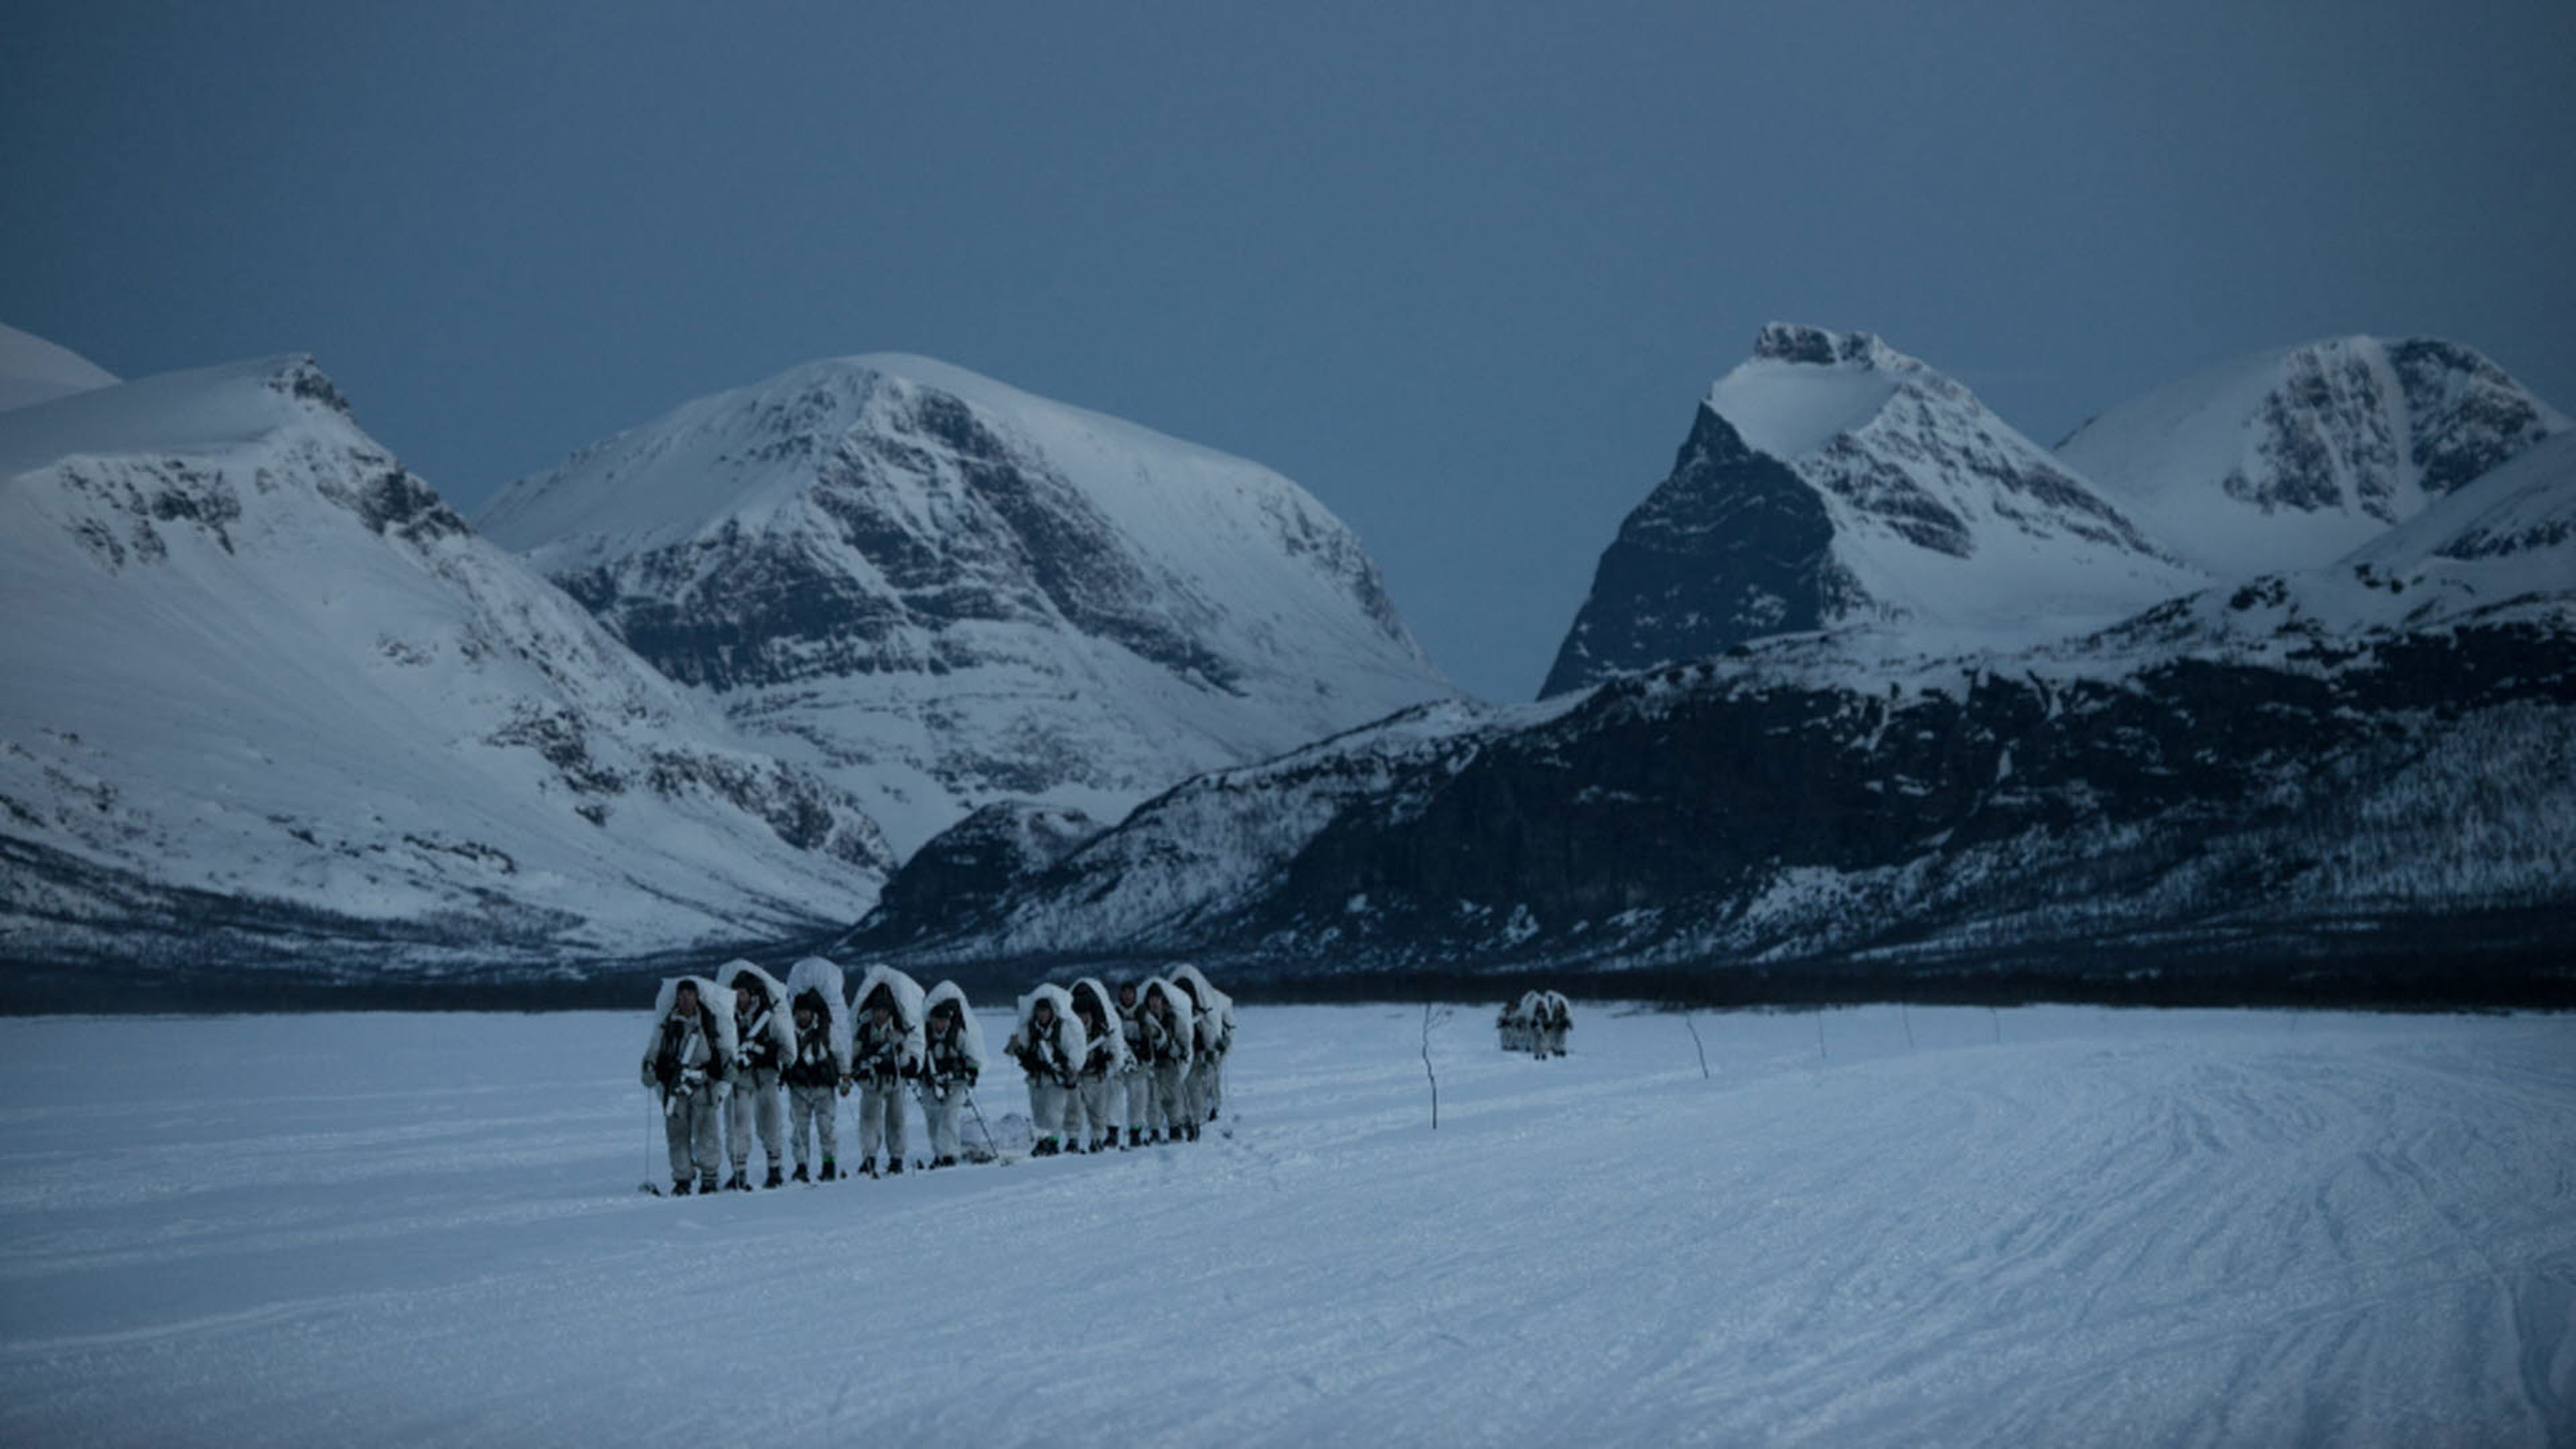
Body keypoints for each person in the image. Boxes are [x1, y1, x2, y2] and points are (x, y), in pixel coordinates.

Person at [639, 975, 736, 1196]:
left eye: (690, 994)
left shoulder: (709, 1022)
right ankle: (682, 1179)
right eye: (682, 995)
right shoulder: (667, 1025)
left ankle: (709, 1177)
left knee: (707, 1133)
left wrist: (729, 1066)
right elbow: (654, 1050)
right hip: (675, 1086)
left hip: (702, 1084)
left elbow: (723, 1046)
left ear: (696, 997)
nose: (685, 999)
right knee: (677, 1136)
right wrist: (648, 1069)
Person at [715, 961, 794, 1190]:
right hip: (738, 1079)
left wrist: (767, 1053)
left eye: (743, 993)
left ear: (752, 994)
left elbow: (785, 1049)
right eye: (737, 993)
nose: (740, 998)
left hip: (765, 1077)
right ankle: (739, 1171)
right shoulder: (727, 1019)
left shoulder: (769, 1018)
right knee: (736, 1126)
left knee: (770, 1123)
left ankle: (775, 1169)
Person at [848, 965, 927, 1177]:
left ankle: (897, 1158)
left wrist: (897, 1057)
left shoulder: (899, 1033)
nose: (880, 1015)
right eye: (878, 1011)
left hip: (895, 1082)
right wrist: (860, 1068)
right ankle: (869, 1157)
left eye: (884, 1011)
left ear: (890, 1013)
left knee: (897, 1120)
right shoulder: (864, 1032)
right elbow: (855, 1055)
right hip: (871, 1082)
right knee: (868, 1121)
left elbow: (905, 1059)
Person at [781, 956, 849, 1182]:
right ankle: (801, 1166)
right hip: (798, 1088)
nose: (803, 1016)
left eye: (806, 1012)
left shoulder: (827, 1032)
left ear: (813, 1014)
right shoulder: (788, 1034)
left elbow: (840, 1054)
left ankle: (829, 1164)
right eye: (800, 1012)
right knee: (799, 1131)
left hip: (823, 1088)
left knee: (826, 1127)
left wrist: (846, 1077)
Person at [916, 981, 988, 1169]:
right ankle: (938, 1153)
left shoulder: (958, 1034)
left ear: (949, 1021)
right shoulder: (924, 1036)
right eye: (937, 1020)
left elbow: (971, 1056)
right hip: (930, 1083)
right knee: (933, 1119)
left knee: (949, 1117)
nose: (940, 1024)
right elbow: (916, 1057)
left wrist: (972, 1072)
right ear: (932, 1020)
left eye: (943, 1021)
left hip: (956, 1083)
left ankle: (949, 1155)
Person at [1005, 985, 1080, 1156]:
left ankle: (1053, 1142)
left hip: (1056, 1077)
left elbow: (1072, 1050)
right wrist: (1014, 1045)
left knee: (1054, 1112)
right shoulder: (1030, 1029)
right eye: (1040, 1011)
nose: (1042, 1015)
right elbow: (1018, 1047)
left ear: (1051, 1012)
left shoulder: (1062, 1029)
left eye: (1045, 1011)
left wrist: (1070, 1069)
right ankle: (1042, 1141)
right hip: (1037, 1077)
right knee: (1038, 1113)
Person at [1065, 978, 1130, 1153]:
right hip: (1076, 1074)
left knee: (1098, 1111)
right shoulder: (1069, 1030)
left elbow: (1114, 1049)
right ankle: (1073, 1139)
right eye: (1079, 1014)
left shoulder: (1103, 1028)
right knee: (1073, 1109)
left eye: (1085, 1014)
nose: (1082, 1018)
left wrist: (1109, 1066)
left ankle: (1098, 1139)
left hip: (1095, 1074)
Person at [1170, 964, 1235, 1123]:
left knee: (1204, 1082)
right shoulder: (1178, 1010)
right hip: (1186, 1052)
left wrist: (1218, 1046)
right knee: (1188, 1085)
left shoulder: (1210, 1004)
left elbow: (1213, 1028)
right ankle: (1189, 1114)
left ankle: (1209, 1109)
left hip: (1200, 1051)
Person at [1136, 976, 1197, 1144]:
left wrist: (1181, 1050)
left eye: (1157, 998)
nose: (1155, 1002)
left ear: (1163, 1000)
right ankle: (1155, 1130)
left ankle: (1175, 1128)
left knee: (1174, 1097)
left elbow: (1184, 1039)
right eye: (1152, 999)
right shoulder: (1143, 1020)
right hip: (1151, 1064)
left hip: (1170, 1063)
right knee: (1152, 1099)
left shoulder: (1173, 1018)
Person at [1114, 979, 1150, 1148]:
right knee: (1114, 1097)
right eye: (1125, 992)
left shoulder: (1143, 1012)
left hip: (1139, 1062)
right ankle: (1112, 1131)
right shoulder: (1114, 1013)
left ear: (1135, 995)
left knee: (1138, 1099)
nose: (1127, 996)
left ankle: (1135, 1132)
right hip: (1119, 1062)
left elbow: (1153, 1034)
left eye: (1131, 993)